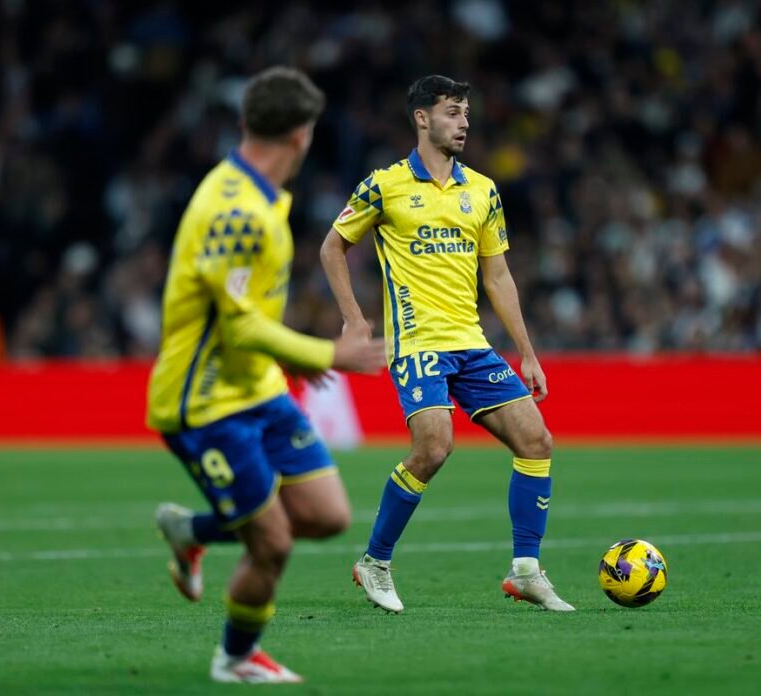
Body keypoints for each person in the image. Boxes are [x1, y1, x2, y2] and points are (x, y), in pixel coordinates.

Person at [146, 66, 386, 684]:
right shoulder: (237, 211)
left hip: (258, 389)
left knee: (327, 515)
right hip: (204, 404)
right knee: (272, 542)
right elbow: (238, 325)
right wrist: (326, 354)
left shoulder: (257, 197)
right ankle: (235, 658)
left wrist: (290, 360)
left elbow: (244, 313)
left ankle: (191, 531)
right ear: (302, 135)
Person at [319, 75, 573, 613]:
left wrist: (527, 352)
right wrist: (353, 318)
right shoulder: (384, 185)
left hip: (471, 344)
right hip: (417, 344)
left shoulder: (482, 190)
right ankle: (375, 562)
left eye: (466, 114)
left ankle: (526, 571)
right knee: (434, 447)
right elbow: (332, 247)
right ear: (422, 118)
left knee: (536, 441)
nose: (464, 123)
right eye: (453, 112)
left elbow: (497, 276)